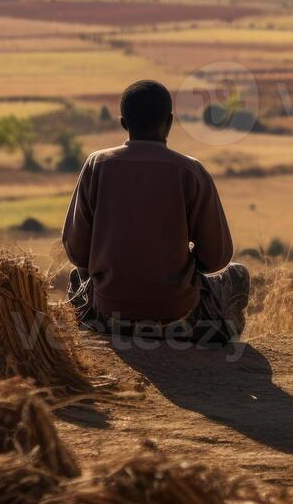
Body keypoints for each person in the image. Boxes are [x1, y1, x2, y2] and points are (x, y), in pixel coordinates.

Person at [62, 80, 250, 343]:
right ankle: (213, 332)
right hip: (177, 318)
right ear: (170, 122)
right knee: (237, 274)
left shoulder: (97, 165)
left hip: (108, 317)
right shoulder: (190, 172)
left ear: (123, 123)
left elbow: (77, 253)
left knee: (77, 276)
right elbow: (217, 258)